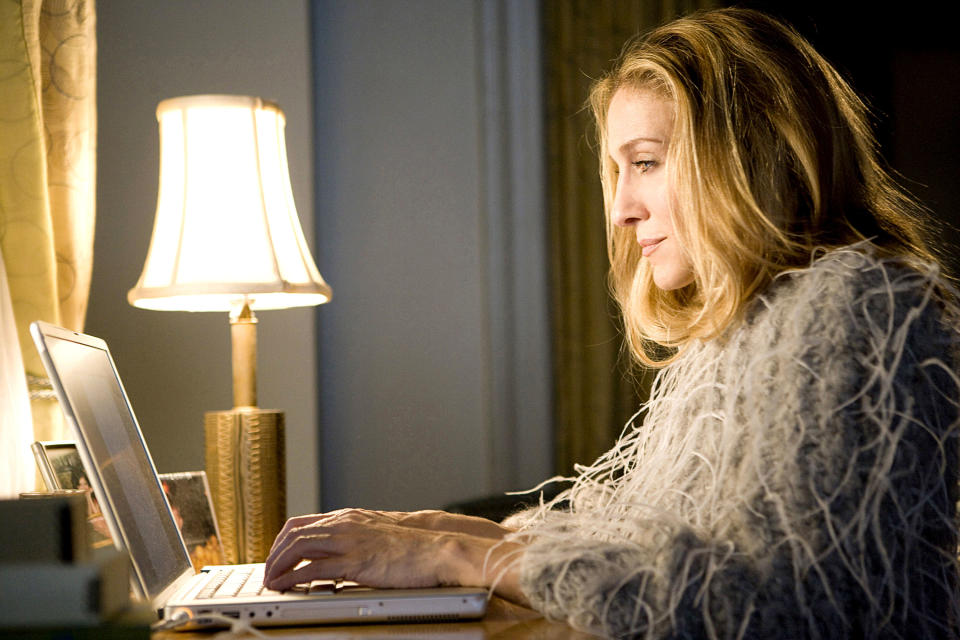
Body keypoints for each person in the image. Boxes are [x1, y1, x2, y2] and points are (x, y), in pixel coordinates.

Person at [264, 8, 960, 639]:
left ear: (749, 155)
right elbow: (648, 535)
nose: (622, 209)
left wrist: (457, 555)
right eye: (617, 171)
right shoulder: (742, 325)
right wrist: (448, 532)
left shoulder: (852, 305)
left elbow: (775, 603)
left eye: (647, 163)